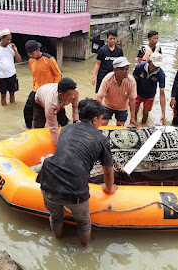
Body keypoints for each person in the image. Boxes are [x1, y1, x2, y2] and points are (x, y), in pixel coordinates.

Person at [36, 98, 118, 246]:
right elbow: (107, 171)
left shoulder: (66, 129)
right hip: (74, 186)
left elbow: (64, 154)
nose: (100, 122)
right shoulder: (101, 139)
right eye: (100, 119)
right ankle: (85, 252)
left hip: (47, 178)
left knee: (55, 217)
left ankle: (58, 244)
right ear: (94, 120)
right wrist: (109, 188)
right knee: (84, 223)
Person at [23, 40, 62, 129]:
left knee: (58, 110)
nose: (30, 56)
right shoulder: (31, 61)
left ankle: (63, 126)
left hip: (50, 89)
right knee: (28, 108)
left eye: (32, 53)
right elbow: (34, 76)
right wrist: (34, 87)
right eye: (29, 54)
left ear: (38, 50)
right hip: (37, 89)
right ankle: (29, 128)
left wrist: (55, 90)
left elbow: (58, 75)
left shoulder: (49, 59)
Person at [34, 78, 79, 144]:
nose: (73, 97)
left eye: (73, 94)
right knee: (39, 126)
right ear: (61, 95)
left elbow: (75, 108)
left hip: (60, 103)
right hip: (40, 100)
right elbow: (53, 128)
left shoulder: (74, 93)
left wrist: (76, 124)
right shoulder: (51, 103)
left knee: (64, 123)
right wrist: (58, 146)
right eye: (70, 95)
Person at [97, 57, 138, 127]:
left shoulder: (131, 81)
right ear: (116, 70)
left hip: (122, 107)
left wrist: (133, 118)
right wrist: (98, 115)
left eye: (128, 69)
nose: (127, 71)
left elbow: (132, 100)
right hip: (107, 105)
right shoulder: (107, 79)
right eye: (124, 70)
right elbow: (99, 97)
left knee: (120, 129)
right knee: (102, 126)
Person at [0, 29, 22, 106]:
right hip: (1, 76)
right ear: (1, 39)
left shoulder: (12, 47)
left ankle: (12, 109)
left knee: (12, 94)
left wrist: (15, 50)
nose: (9, 41)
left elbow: (19, 60)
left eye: (10, 39)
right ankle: (4, 109)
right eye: (7, 39)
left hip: (12, 74)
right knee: (3, 96)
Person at [133, 53, 165, 125]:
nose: (156, 68)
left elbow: (162, 94)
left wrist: (163, 113)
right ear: (149, 62)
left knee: (145, 113)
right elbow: (132, 82)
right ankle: (133, 124)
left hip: (150, 95)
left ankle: (143, 125)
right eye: (154, 66)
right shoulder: (139, 67)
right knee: (134, 110)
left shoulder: (161, 74)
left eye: (158, 66)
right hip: (137, 92)